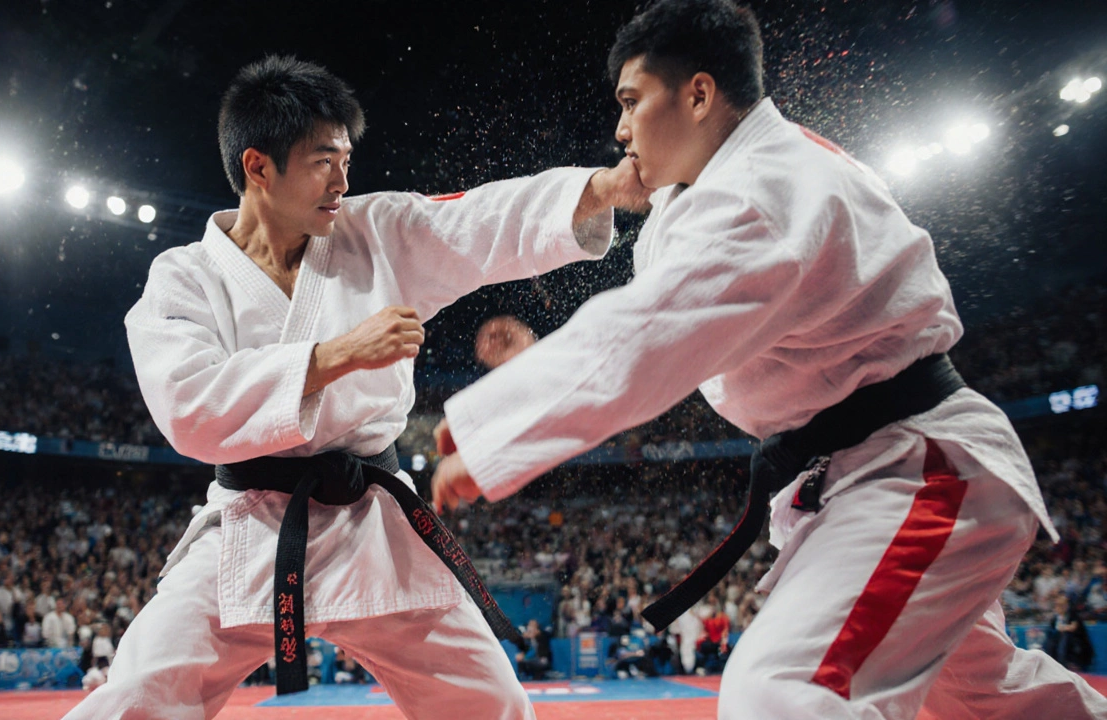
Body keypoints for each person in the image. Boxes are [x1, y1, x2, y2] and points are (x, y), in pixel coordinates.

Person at [430, 1, 1107, 717]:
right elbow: (673, 326)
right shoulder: (729, 184)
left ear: (697, 92)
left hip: (916, 469)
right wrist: (538, 367)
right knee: (990, 699)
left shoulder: (759, 189)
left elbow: (651, 332)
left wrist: (497, 431)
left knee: (780, 693)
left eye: (632, 101)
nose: (621, 128)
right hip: (872, 471)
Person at [66, 55, 645, 720]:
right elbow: (189, 407)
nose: (343, 178)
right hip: (253, 523)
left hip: (375, 522)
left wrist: (598, 191)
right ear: (258, 166)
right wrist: (339, 354)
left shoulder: (378, 232)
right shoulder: (185, 278)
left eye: (346, 157)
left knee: (491, 706)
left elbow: (476, 222)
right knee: (136, 699)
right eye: (322, 159)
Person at [1043, 595, 1094, 671]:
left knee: (1066, 636)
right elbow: (1052, 630)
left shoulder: (1073, 615)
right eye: (1057, 605)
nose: (1059, 607)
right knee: (1051, 639)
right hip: (1058, 646)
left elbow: (1073, 627)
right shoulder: (1055, 619)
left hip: (1076, 646)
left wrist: (1063, 628)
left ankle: (1067, 662)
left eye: (1061, 605)